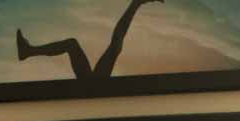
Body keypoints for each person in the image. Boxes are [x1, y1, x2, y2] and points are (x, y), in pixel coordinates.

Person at [16, 0, 165, 82]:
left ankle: (29, 51)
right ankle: (28, 51)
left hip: (95, 85)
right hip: (95, 84)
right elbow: (118, 38)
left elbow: (118, 38)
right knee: (77, 45)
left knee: (77, 45)